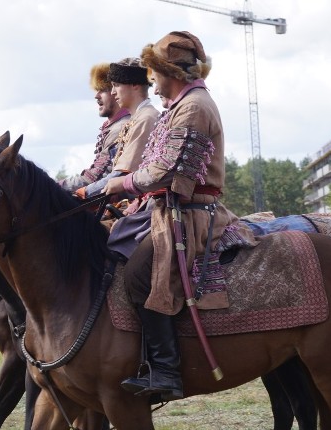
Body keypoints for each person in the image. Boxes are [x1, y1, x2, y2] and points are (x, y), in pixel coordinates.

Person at [104, 31, 256, 401]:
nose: (152, 85)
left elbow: (164, 172)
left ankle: (166, 371)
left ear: (168, 72)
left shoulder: (194, 107)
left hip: (189, 215)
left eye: (154, 75)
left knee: (141, 276)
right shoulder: (183, 104)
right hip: (166, 210)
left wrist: (117, 186)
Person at [81, 58, 159, 198]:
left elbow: (122, 174)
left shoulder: (146, 119)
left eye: (116, 85)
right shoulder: (137, 118)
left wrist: (83, 194)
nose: (112, 92)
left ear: (134, 84)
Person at [59, 63, 130, 192]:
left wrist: (55, 186)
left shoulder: (121, 127)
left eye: (103, 90)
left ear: (116, 91)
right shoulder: (115, 126)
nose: (96, 96)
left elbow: (96, 177)